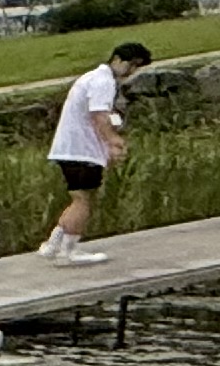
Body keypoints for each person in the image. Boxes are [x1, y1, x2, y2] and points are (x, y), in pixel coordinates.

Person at [41, 40, 150, 261]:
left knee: (78, 198)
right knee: (83, 200)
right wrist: (113, 141)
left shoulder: (93, 78)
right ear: (117, 60)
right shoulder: (103, 82)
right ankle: (69, 250)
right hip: (82, 150)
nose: (131, 71)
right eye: (131, 65)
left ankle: (54, 243)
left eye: (136, 67)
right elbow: (98, 115)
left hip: (70, 148)